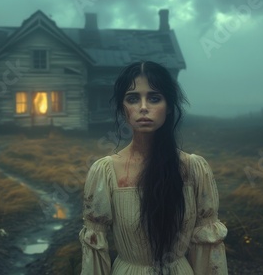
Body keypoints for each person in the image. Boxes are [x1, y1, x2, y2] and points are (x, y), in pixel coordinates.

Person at [79, 61, 228, 274]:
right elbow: (95, 252)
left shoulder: (194, 168)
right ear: (123, 108)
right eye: (132, 98)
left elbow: (208, 250)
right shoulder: (105, 172)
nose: (143, 107)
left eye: (154, 98)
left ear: (168, 107)